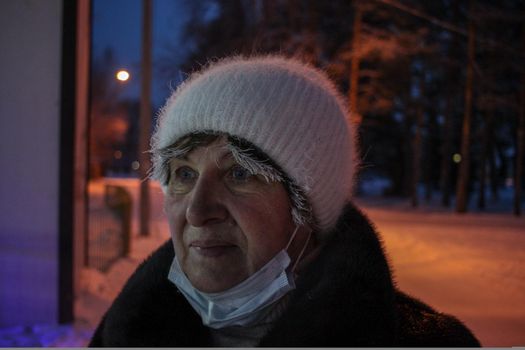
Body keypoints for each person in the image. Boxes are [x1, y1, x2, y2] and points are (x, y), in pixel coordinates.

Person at [89, 56, 480, 347]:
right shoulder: (121, 333)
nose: (197, 211)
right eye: (184, 175)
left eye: (239, 173)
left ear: (310, 210)